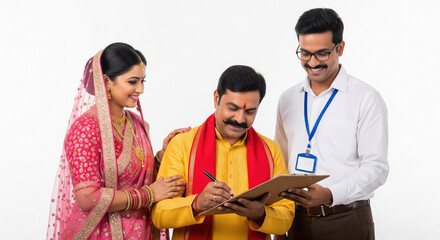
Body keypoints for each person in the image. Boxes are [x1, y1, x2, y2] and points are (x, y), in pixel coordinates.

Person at [47, 42, 189, 240]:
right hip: (98, 234)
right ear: (106, 82)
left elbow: (139, 177)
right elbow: (87, 197)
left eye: (143, 81)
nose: (140, 90)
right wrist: (148, 195)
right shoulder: (86, 128)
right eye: (132, 82)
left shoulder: (137, 124)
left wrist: (164, 155)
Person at [275, 8, 389, 240]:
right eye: (305, 53)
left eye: (322, 53)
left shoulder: (366, 98)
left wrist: (330, 194)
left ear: (340, 48)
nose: (312, 62)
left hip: (345, 220)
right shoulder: (288, 99)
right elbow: (279, 160)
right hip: (294, 220)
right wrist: (279, 220)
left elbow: (376, 168)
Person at [152, 65, 295, 239]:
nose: (240, 119)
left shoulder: (271, 150)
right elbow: (159, 215)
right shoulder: (182, 145)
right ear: (216, 98)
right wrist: (196, 203)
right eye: (233, 108)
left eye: (250, 111)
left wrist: (261, 214)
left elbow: (286, 218)